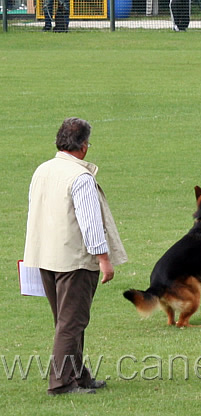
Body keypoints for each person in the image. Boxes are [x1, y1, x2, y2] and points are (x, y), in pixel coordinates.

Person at [24, 118, 128, 395]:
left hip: (44, 256)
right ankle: (61, 383)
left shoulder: (42, 170)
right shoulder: (80, 177)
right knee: (71, 323)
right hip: (73, 260)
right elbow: (90, 222)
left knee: (66, 321)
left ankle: (79, 375)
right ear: (83, 146)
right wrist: (104, 259)